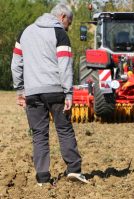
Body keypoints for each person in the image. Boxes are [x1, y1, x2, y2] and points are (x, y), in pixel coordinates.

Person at [11, 4, 88, 186]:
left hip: (33, 92)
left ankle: (43, 178)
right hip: (56, 91)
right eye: (68, 22)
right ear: (62, 17)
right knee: (64, 129)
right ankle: (74, 170)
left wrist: (20, 90)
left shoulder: (25, 33)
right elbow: (64, 66)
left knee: (39, 134)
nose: (68, 26)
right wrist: (68, 93)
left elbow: (16, 65)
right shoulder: (60, 34)